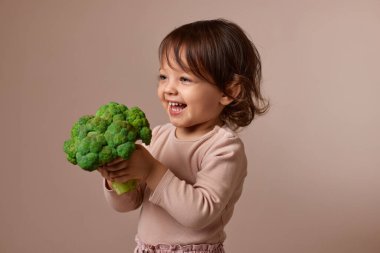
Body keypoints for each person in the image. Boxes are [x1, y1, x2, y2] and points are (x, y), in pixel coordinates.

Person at [97, 18, 269, 253]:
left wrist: (152, 170)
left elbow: (200, 213)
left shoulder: (223, 147)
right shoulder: (157, 136)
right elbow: (128, 204)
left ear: (229, 91)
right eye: (163, 77)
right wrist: (116, 177)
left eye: (185, 79)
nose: (169, 88)